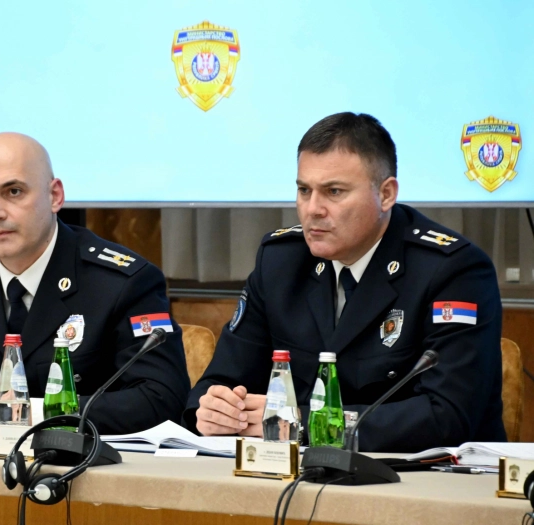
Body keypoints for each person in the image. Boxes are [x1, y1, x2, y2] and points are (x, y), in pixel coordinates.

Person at [184, 113, 505, 452]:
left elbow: (447, 416)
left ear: (386, 194)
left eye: (333, 191)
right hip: (296, 473)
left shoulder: (451, 270)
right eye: (304, 190)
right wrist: (214, 410)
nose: (312, 209)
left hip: (419, 475)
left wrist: (304, 423)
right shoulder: (281, 261)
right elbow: (221, 380)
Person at [0, 132, 190, 434]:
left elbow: (162, 398)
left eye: (13, 191)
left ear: (55, 196)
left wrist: (36, 412)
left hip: (89, 462)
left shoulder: (121, 282)